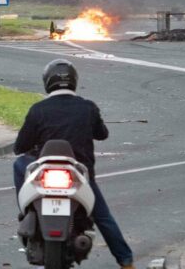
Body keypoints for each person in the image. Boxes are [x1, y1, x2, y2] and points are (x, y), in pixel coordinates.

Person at [12, 59, 134, 269]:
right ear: (74, 82)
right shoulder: (87, 107)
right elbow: (102, 134)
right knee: (103, 218)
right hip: (79, 175)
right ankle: (126, 262)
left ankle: (25, 209)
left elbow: (20, 146)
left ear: (47, 82)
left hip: (44, 175)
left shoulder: (38, 109)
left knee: (19, 164)